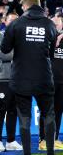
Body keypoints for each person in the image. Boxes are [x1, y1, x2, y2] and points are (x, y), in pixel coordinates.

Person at [1, 0, 57, 155]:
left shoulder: (16, 24)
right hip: (44, 78)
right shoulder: (50, 24)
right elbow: (52, 53)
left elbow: (4, 49)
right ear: (38, 6)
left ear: (25, 7)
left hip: (21, 78)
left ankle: (27, 153)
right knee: (48, 115)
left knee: (24, 117)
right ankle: (50, 152)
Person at [0, 12, 22, 152]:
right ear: (5, 21)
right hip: (2, 77)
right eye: (12, 20)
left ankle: (11, 140)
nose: (14, 23)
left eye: (17, 21)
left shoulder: (22, 37)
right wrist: (21, 53)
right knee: (1, 110)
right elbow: (2, 54)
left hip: (17, 78)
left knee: (13, 110)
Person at [38, 15, 63, 151]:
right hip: (47, 81)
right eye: (53, 24)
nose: (55, 26)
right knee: (46, 111)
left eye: (58, 24)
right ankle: (43, 139)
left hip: (61, 82)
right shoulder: (45, 39)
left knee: (58, 111)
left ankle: (55, 138)